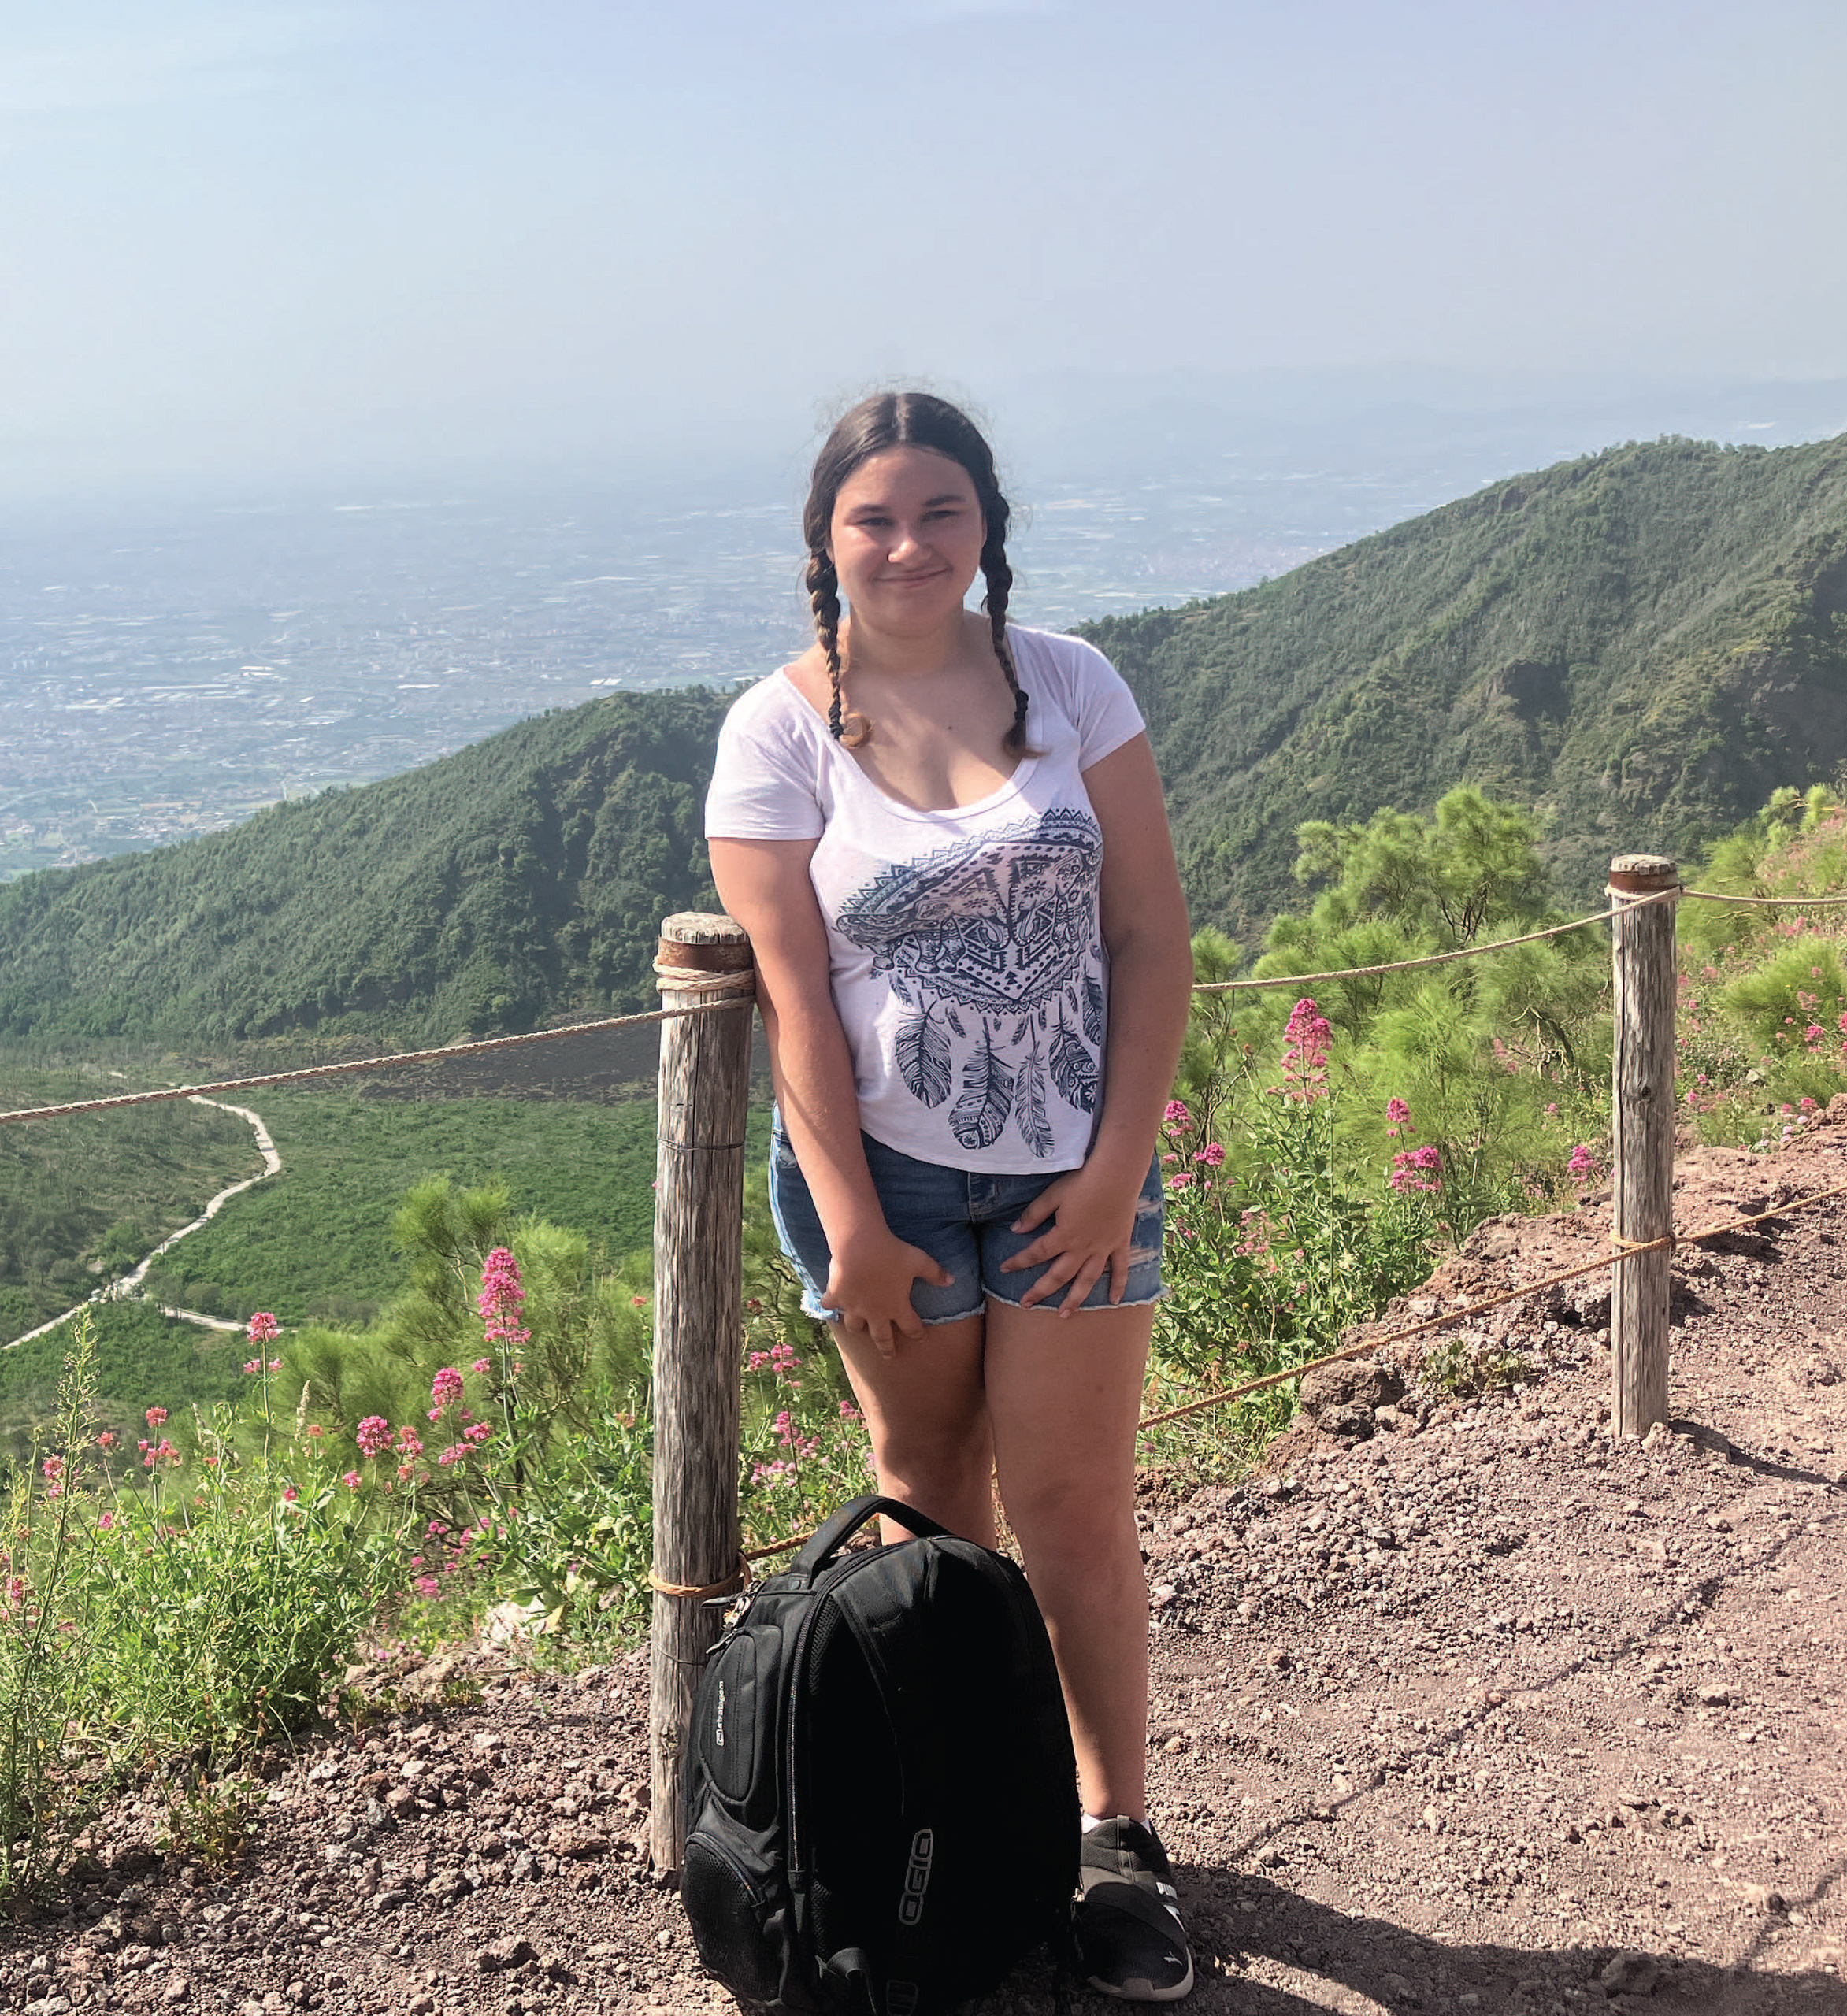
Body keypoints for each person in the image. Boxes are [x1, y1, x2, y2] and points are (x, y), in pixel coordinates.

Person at [703, 390, 1197, 2002]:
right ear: (824, 539)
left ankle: (1113, 1837)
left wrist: (1114, 1171)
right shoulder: (776, 733)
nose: (909, 545)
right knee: (930, 1512)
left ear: (988, 526)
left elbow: (1151, 937)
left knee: (1076, 1512)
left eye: (942, 512)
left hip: (1075, 1171)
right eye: (875, 517)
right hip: (891, 1184)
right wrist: (849, 1221)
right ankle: (969, 1845)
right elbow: (794, 1000)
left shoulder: (1073, 684)